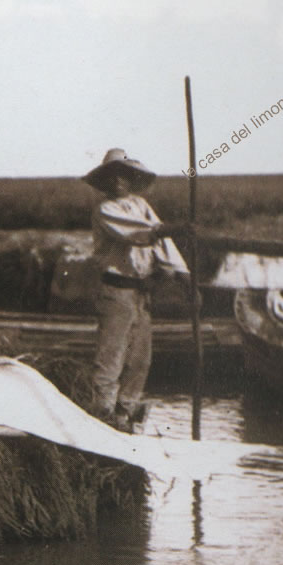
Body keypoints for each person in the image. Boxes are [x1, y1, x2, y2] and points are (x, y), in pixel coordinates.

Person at [82, 148, 192, 432]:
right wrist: (171, 229)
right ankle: (102, 415)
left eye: (123, 175)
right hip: (117, 293)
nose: (117, 181)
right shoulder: (105, 210)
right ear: (105, 182)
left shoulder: (140, 205)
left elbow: (161, 242)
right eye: (111, 176)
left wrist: (183, 276)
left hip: (141, 293)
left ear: (130, 179)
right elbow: (140, 233)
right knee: (111, 358)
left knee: (141, 360)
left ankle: (124, 413)